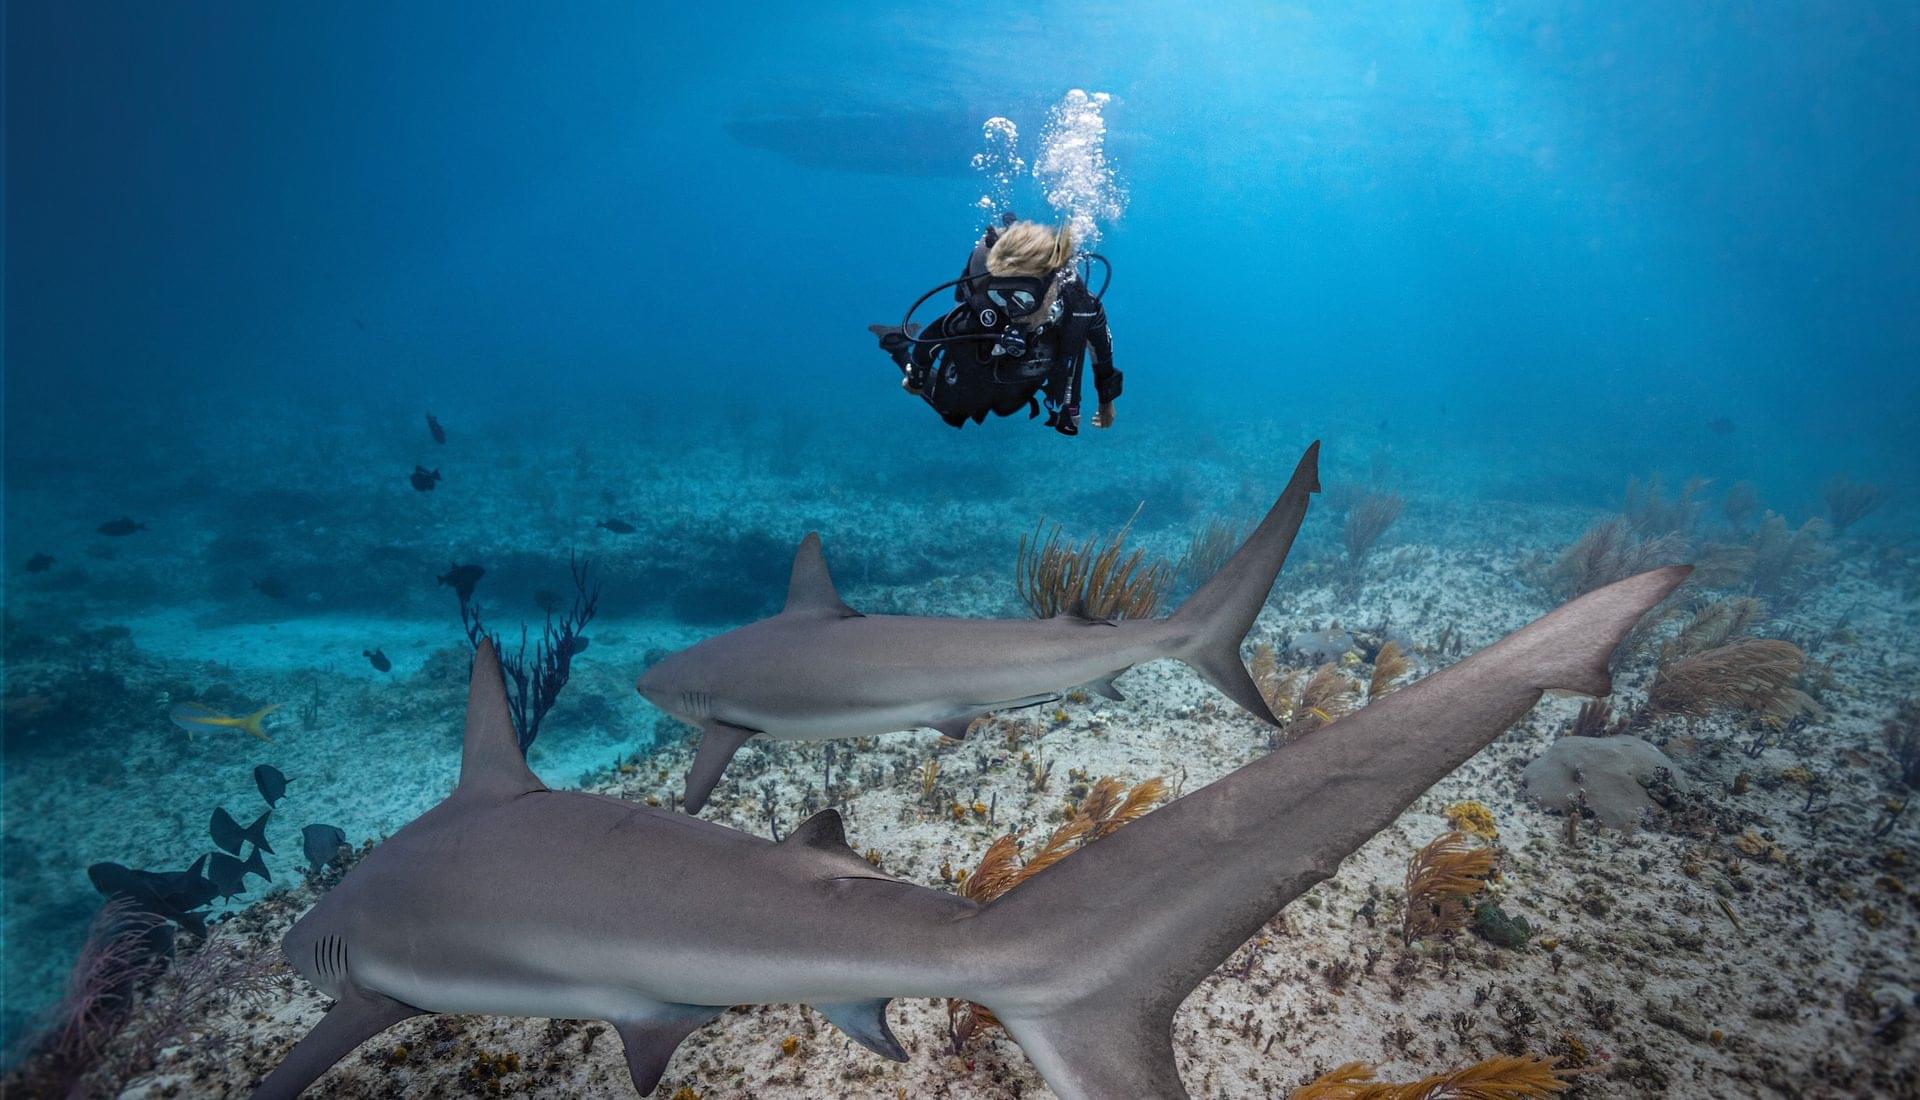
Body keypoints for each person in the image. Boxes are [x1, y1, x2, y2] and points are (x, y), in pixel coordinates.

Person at [871, 218, 1120, 436]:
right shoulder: (982, 313)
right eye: (1001, 295)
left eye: (1023, 299)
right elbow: (933, 338)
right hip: (980, 373)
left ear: (1052, 288)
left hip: (1023, 381)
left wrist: (1106, 399)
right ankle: (895, 344)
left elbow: (1101, 346)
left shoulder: (1081, 307)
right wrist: (915, 378)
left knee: (1010, 403)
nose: (1010, 310)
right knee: (948, 409)